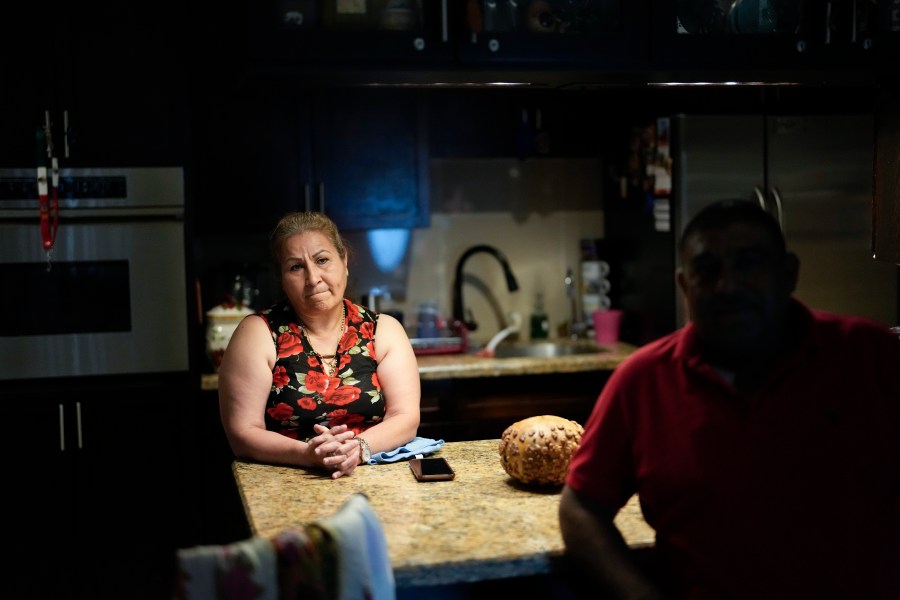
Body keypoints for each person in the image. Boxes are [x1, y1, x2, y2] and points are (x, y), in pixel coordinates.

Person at [559, 199, 900, 599]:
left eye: (749, 263)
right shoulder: (642, 382)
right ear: (685, 286)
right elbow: (580, 508)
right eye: (707, 271)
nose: (728, 286)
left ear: (787, 273)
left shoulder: (870, 356)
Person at [219, 211, 421, 479]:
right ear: (281, 278)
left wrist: (358, 448)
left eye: (322, 260)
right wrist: (307, 455)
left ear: (344, 260)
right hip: (285, 484)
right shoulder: (257, 333)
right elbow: (242, 433)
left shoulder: (383, 330)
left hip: (376, 479)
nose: (313, 278)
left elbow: (405, 417)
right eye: (296, 267)